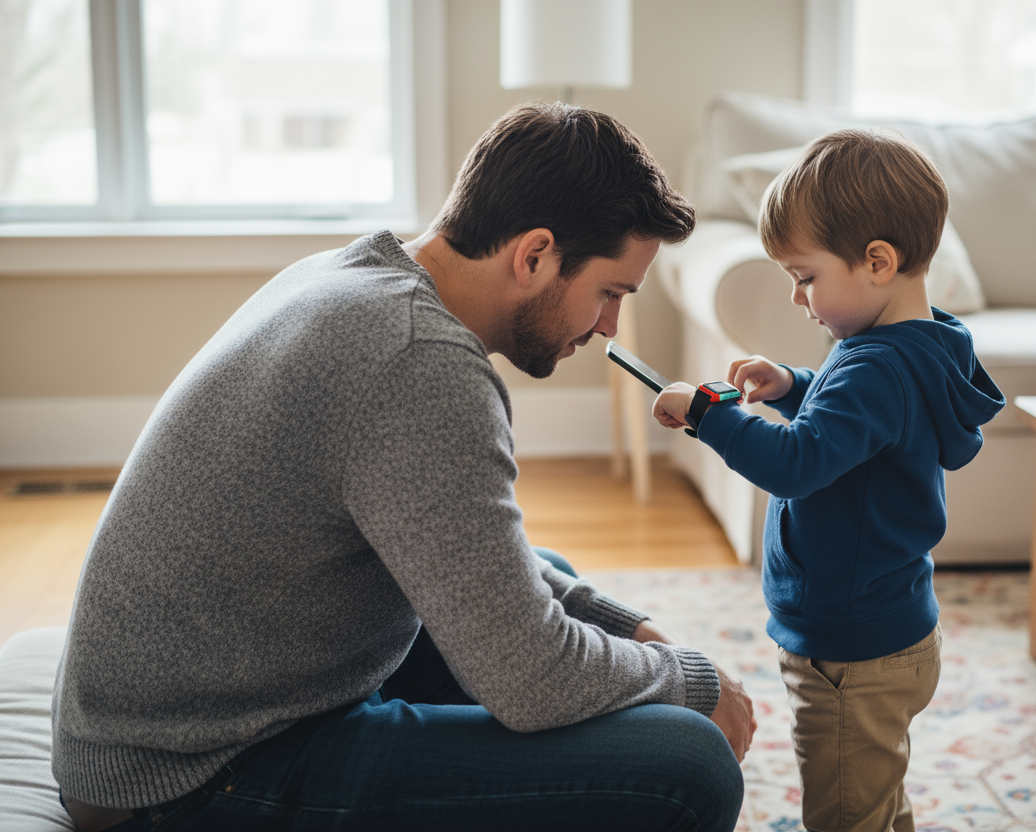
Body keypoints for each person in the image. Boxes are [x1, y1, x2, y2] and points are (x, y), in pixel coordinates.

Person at [51, 102, 755, 832]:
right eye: (611, 293)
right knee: (689, 766)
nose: (609, 326)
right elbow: (530, 677)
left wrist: (633, 632)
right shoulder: (418, 361)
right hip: (183, 782)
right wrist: (691, 682)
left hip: (157, 733)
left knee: (547, 576)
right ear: (535, 255)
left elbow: (491, 584)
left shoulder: (351, 274)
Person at [652, 129, 1005, 832]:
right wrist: (794, 385)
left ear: (877, 261)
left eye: (805, 276)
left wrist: (708, 416)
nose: (796, 296)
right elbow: (860, 426)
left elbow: (797, 462)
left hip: (852, 654)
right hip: (891, 626)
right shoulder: (917, 346)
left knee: (846, 814)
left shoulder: (873, 367)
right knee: (875, 800)